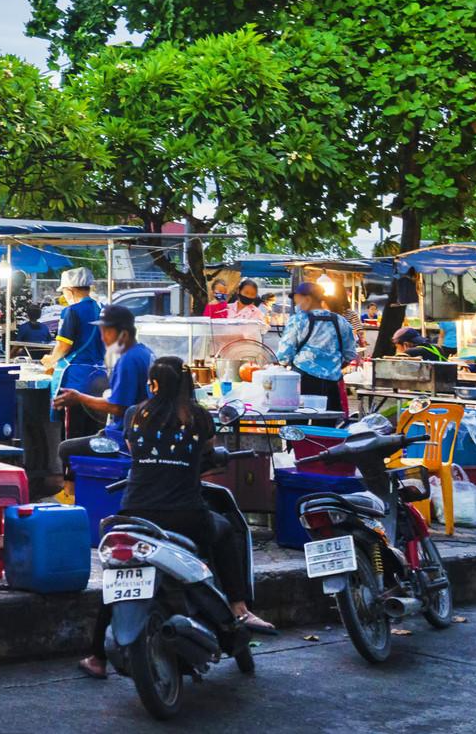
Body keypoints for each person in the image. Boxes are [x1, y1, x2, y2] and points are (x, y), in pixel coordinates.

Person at [78, 355, 273, 678]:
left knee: (120, 579)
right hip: (187, 517)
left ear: (153, 385)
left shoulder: (133, 414)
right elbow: (207, 454)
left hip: (134, 515)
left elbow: (133, 449)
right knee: (227, 532)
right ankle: (239, 608)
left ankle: (97, 657)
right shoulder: (198, 417)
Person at [53, 305, 152, 503]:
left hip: (122, 441)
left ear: (122, 333)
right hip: (132, 433)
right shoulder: (143, 352)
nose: (102, 337)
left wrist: (79, 398)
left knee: (65, 448)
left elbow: (117, 407)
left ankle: (75, 497)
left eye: (106, 331)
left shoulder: (128, 360)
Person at [274, 281, 361, 411]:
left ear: (307, 299)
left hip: (302, 383)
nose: (297, 305)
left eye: (298, 301)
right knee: (325, 427)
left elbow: (284, 356)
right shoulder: (340, 321)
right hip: (332, 384)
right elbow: (350, 354)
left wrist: (280, 363)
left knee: (298, 426)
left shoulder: (298, 321)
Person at [42, 267, 105, 375]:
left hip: (76, 376)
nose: (64, 295)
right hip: (99, 372)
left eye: (64, 291)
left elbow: (64, 345)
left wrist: (51, 360)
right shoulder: (102, 309)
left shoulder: (71, 311)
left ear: (70, 290)